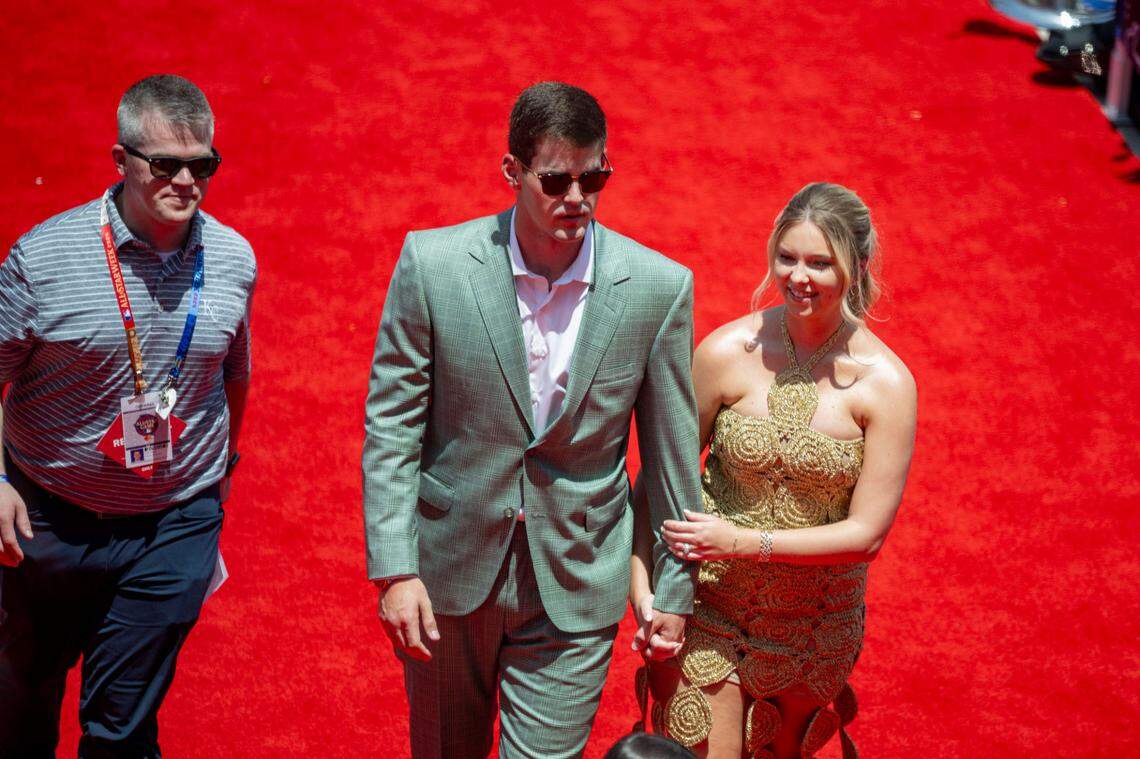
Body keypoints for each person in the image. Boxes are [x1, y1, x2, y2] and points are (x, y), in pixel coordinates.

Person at [362, 81, 701, 759]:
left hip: (576, 580)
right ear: (512, 172)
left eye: (593, 176)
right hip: (448, 575)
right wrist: (395, 570)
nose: (577, 197)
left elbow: (670, 455)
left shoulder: (659, 288)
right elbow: (393, 424)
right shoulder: (432, 267)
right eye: (555, 179)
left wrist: (674, 587)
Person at [0, 74, 255, 757]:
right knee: (21, 702)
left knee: (121, 728)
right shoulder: (42, 258)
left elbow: (233, 373)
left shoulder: (232, 259)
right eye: (164, 164)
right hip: (44, 519)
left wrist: (217, 480)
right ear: (121, 161)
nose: (185, 180)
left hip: (173, 522)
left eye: (201, 164)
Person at [631, 183, 916, 758]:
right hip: (708, 612)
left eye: (820, 263)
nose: (799, 277)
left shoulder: (888, 384)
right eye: (787, 257)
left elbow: (867, 536)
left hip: (813, 630)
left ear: (858, 267)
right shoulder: (725, 352)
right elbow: (657, 485)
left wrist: (737, 540)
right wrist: (646, 596)